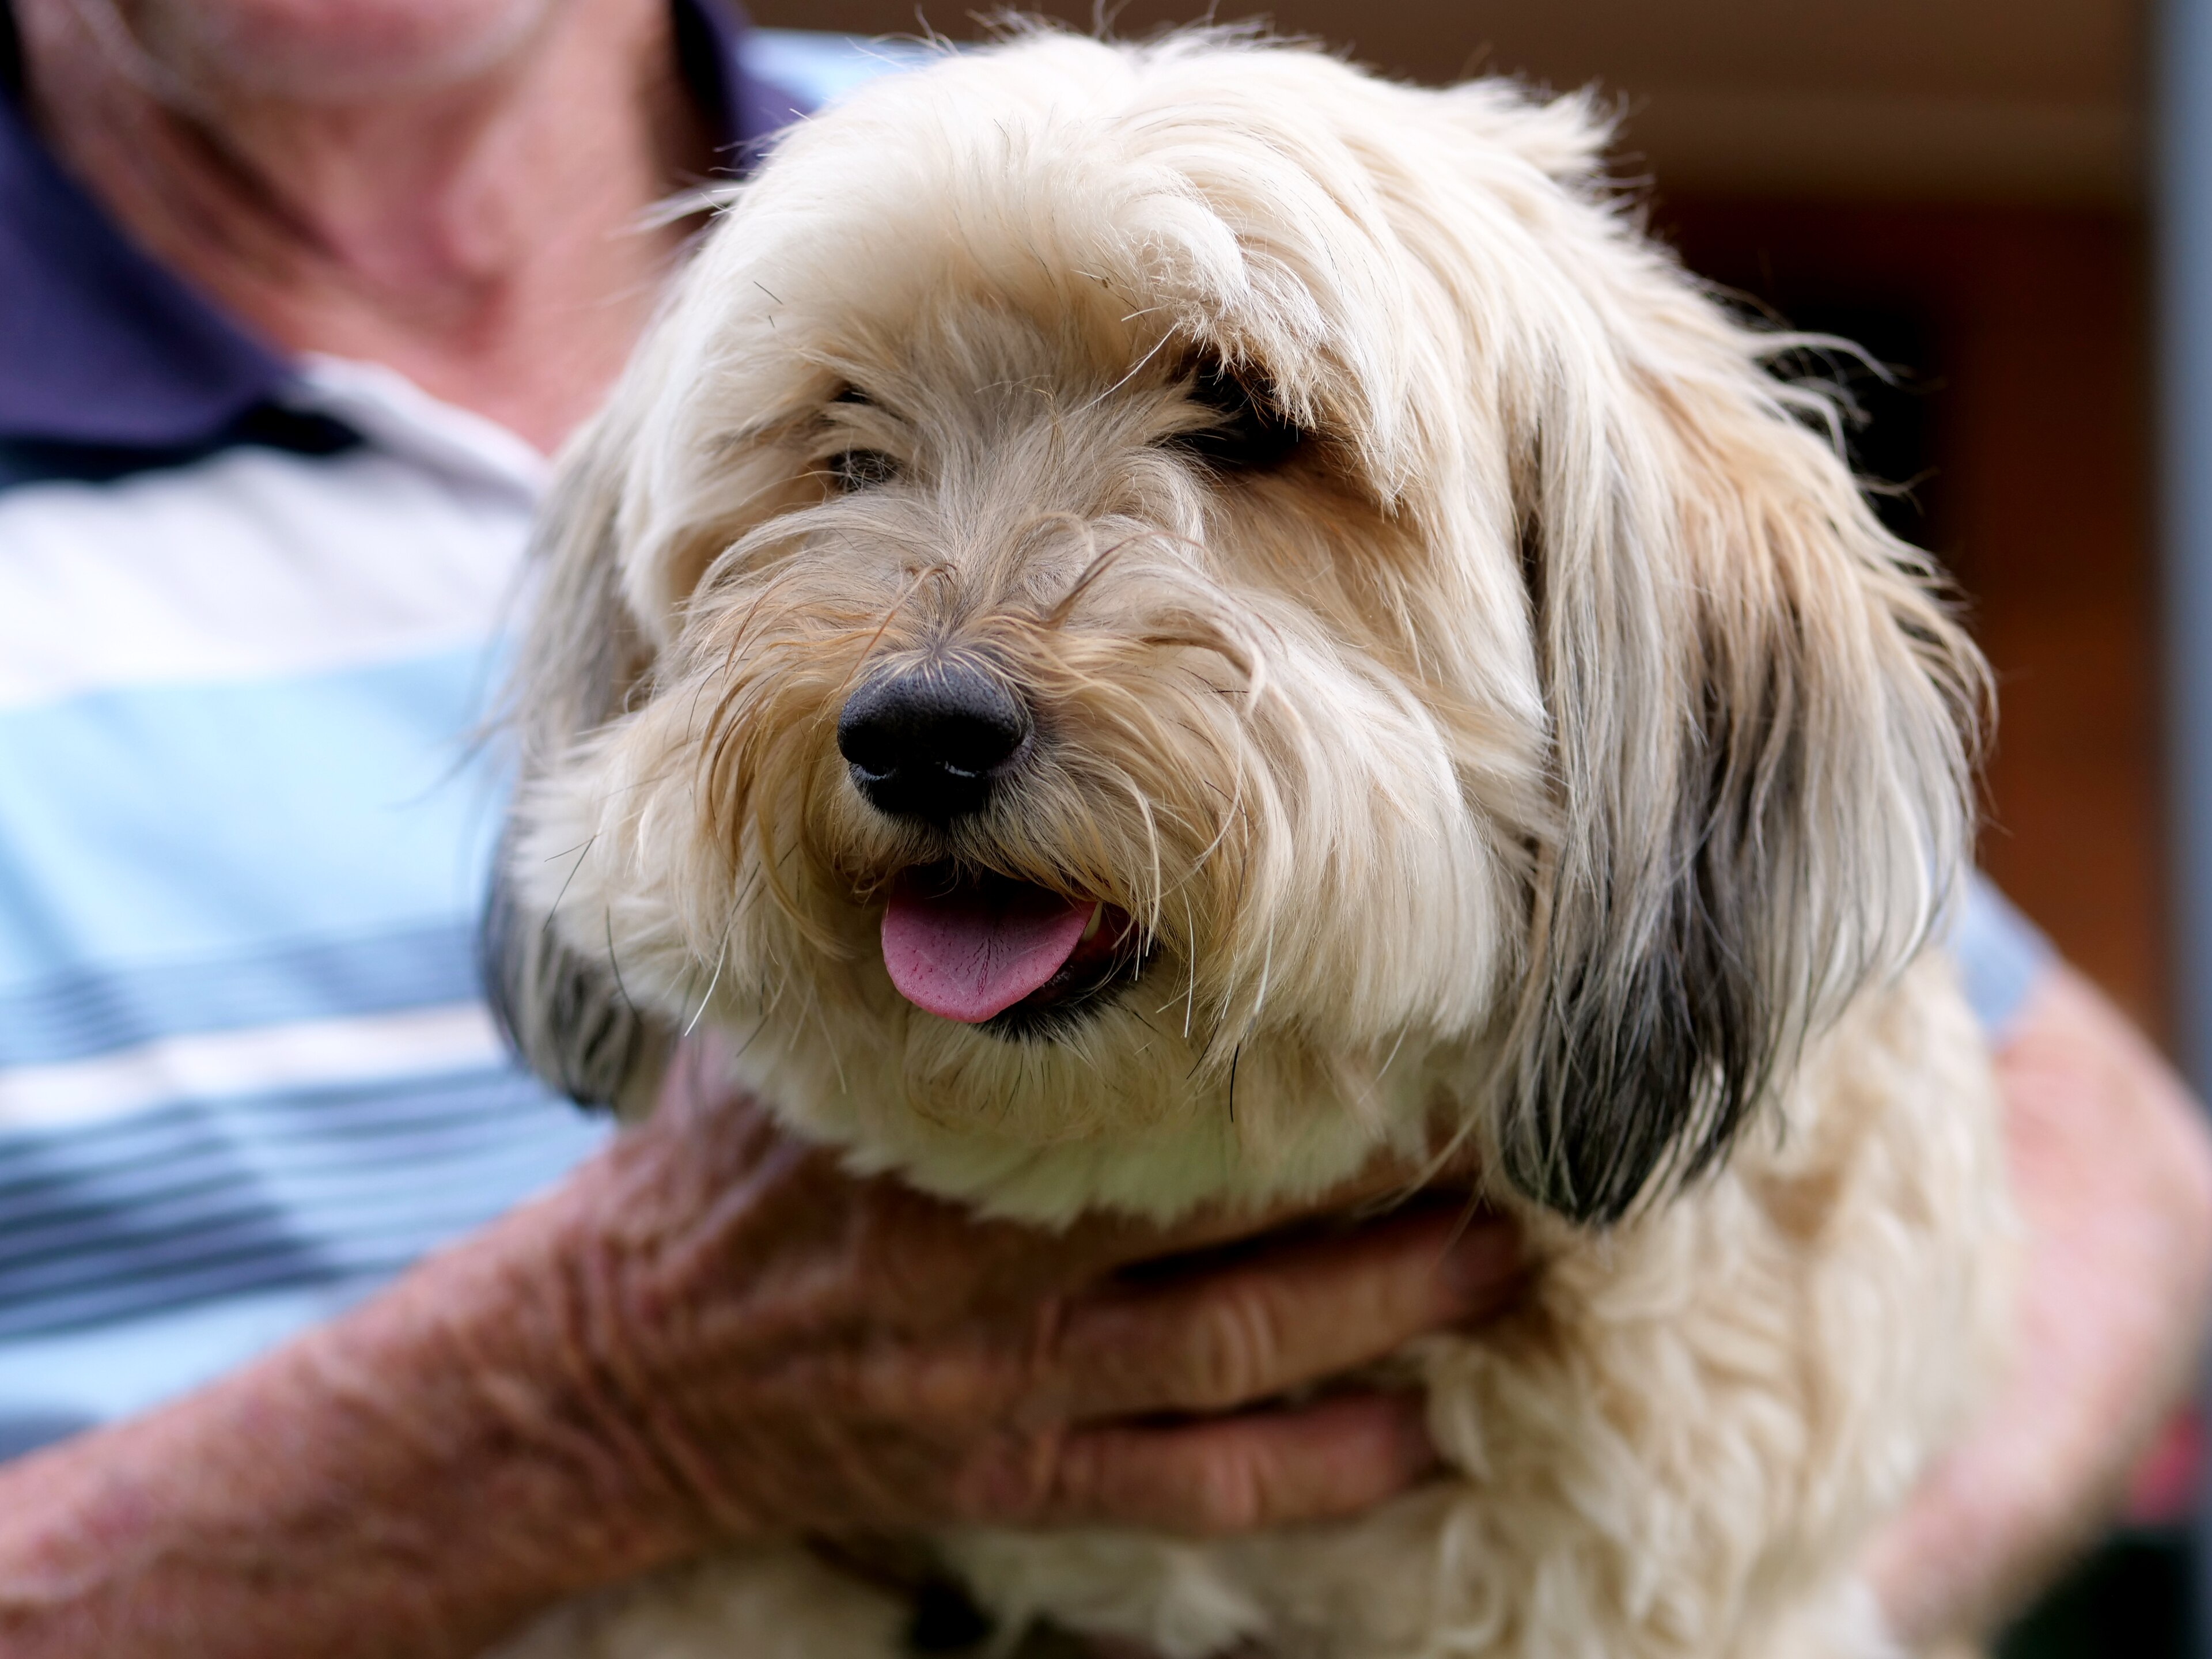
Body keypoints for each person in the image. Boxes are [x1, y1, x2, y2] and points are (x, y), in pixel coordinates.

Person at [0, 1, 2202, 1654]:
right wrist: (594, 1413)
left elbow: (2095, 1137)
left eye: (1240, 430)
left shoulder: (1095, 161)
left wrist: (1808, 1600)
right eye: (840, 449)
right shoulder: (823, 258)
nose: (932, 674)